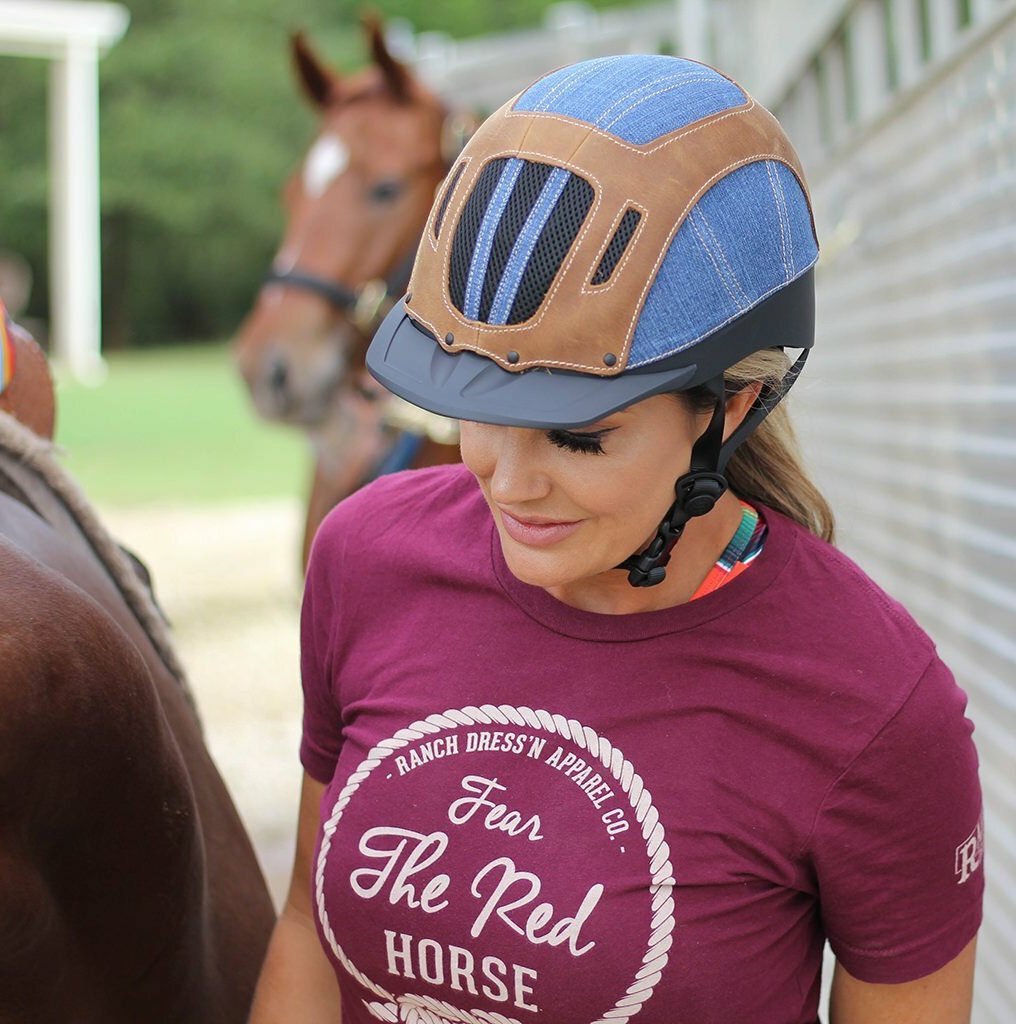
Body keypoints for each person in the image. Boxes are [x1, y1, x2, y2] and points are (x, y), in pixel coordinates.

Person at [249, 55, 983, 1024]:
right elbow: (308, 927)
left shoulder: (874, 707)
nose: (504, 481)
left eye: (576, 435)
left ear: (731, 405)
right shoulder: (366, 559)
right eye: (473, 409)